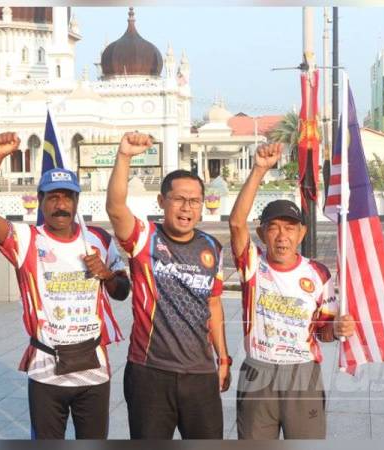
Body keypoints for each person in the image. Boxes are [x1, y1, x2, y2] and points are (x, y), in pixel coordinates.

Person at [0, 132, 130, 440]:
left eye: (67, 197)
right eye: (53, 197)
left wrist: (107, 275)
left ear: (77, 202)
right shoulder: (26, 239)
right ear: (39, 201)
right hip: (46, 368)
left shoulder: (98, 239)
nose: (61, 205)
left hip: (93, 367)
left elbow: (122, 291)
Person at [106, 132, 231, 439]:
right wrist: (124, 157)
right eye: (178, 199)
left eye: (194, 201)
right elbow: (115, 208)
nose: (186, 208)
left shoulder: (212, 248)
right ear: (162, 201)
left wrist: (224, 358)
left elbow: (213, 305)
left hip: (200, 375)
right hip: (150, 373)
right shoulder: (144, 238)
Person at [228, 142, 355, 439]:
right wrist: (259, 169)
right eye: (274, 227)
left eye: (290, 228)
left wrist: (336, 328)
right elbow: (236, 224)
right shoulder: (252, 265)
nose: (282, 236)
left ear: (302, 233)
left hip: (302, 373)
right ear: (262, 234)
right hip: (258, 370)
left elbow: (323, 332)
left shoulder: (318, 274)